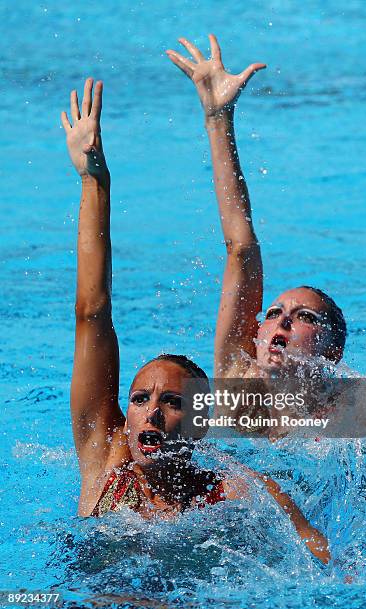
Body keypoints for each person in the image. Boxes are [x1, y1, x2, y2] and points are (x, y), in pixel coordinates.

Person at [61, 78, 330, 564]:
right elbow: (92, 312)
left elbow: (314, 547)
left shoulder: (233, 491)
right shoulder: (105, 457)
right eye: (140, 399)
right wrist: (93, 179)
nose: (151, 413)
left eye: (171, 402)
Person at [166, 35, 347, 380]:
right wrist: (218, 119)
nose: (283, 321)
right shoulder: (238, 387)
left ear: (333, 352)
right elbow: (240, 248)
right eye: (274, 313)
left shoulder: (359, 414)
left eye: (305, 317)